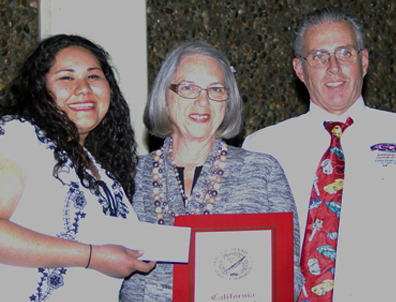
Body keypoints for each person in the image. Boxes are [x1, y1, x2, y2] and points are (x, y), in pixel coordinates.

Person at [119, 40, 303, 301]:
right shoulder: (128, 175)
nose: (202, 101)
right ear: (165, 96)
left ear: (228, 102)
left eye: (215, 89)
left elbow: (289, 277)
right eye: (188, 88)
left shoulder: (263, 171)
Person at [243, 7, 396, 301]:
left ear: (364, 61)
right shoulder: (261, 149)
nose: (334, 67)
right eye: (318, 57)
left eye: (345, 53)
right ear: (299, 70)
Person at [0, 34, 157, 302]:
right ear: (38, 89)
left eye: (94, 76)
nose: (83, 88)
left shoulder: (103, 173)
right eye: (66, 77)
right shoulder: (19, 136)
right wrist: (91, 256)